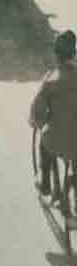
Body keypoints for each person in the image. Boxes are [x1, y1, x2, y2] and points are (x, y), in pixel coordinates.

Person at [31, 31, 77, 206]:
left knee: (45, 144)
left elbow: (36, 113)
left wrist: (36, 121)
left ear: (57, 55)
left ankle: (45, 185)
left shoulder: (50, 80)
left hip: (57, 141)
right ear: (74, 53)